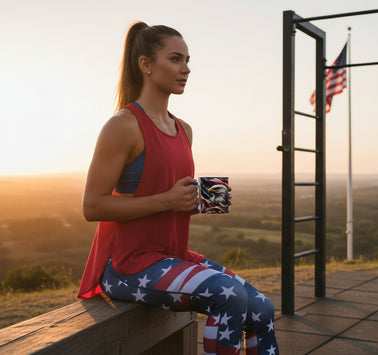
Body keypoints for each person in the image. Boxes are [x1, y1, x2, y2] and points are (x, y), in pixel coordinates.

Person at [78, 21, 279, 355]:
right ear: (145, 65)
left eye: (187, 60)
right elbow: (92, 206)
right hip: (127, 265)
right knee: (228, 295)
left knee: (262, 307)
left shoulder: (183, 129)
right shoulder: (122, 126)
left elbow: (169, 193)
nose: (186, 69)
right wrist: (166, 199)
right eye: (175, 59)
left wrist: (201, 199)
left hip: (170, 255)